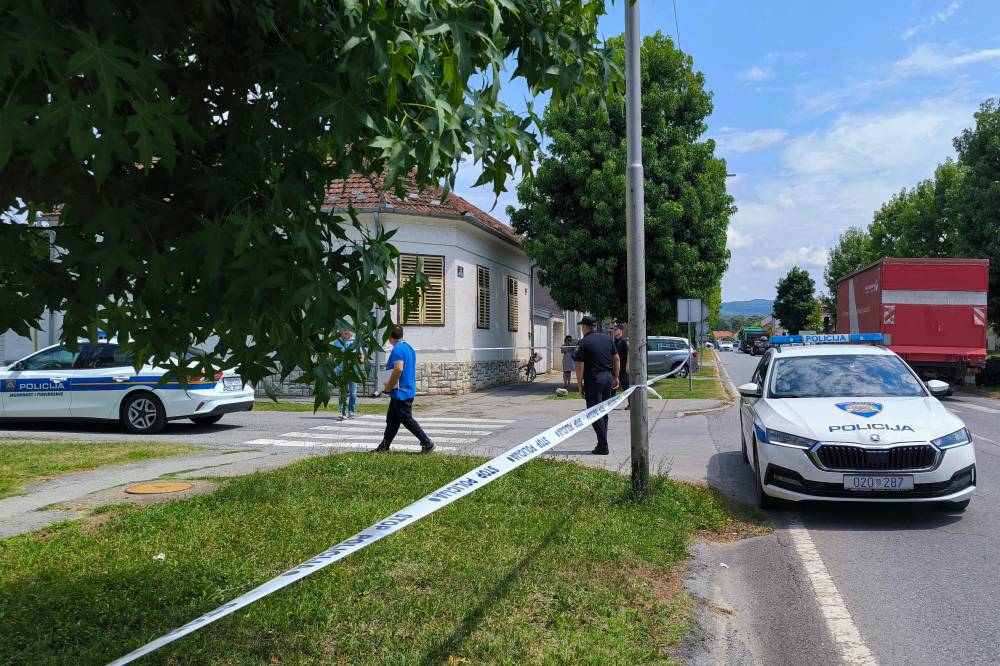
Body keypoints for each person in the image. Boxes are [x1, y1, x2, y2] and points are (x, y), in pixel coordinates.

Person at [374, 325, 434, 454]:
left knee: (407, 419)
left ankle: (427, 442)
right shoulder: (408, 347)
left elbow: (399, 369)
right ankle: (384, 446)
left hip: (401, 392)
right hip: (403, 391)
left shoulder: (398, 350)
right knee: (392, 420)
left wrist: (389, 386)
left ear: (390, 337)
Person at [574, 316, 619, 455]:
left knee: (594, 413)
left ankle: (603, 445)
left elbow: (580, 366)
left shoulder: (583, 343)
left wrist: (580, 384)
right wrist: (616, 377)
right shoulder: (607, 339)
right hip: (607, 378)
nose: (581, 329)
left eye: (582, 326)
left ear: (586, 327)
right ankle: (601, 444)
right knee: (603, 412)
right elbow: (616, 359)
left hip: (594, 380)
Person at [333, 329, 364, 420]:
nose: (345, 332)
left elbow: (361, 355)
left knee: (353, 393)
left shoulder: (355, 342)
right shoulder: (337, 342)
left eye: (347, 330)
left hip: (353, 371)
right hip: (341, 371)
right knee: (342, 392)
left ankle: (351, 411)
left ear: (351, 331)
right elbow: (333, 355)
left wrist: (361, 361)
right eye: (343, 330)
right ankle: (342, 411)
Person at [612, 324, 630, 408]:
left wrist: (627, 366)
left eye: (616, 330)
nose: (614, 331)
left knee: (626, 386)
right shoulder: (614, 341)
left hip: (623, 367)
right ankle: (611, 404)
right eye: (614, 330)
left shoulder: (623, 341)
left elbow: (628, 355)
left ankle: (631, 403)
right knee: (613, 386)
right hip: (615, 367)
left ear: (620, 331)